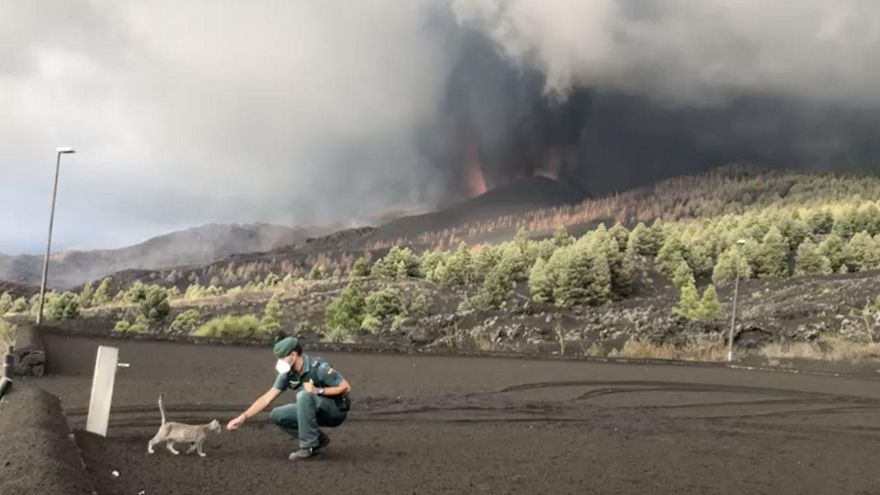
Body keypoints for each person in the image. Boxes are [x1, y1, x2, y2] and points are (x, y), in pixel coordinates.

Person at [226, 336, 352, 460]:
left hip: (335, 411)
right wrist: (243, 417)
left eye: (282, 358)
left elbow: (346, 387)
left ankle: (309, 448)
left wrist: (318, 390)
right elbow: (266, 398)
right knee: (277, 414)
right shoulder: (288, 374)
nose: (279, 361)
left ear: (293, 355)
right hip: (313, 410)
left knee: (303, 395)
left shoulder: (319, 368)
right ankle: (318, 440)